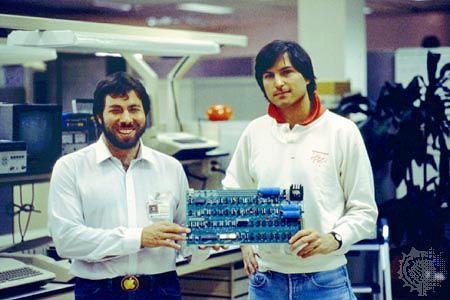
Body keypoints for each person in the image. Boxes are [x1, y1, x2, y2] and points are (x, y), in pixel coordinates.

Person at [222, 40, 378, 299]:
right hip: (265, 282)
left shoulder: (341, 131)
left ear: (306, 77)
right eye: (268, 76)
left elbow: (364, 210)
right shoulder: (255, 132)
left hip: (325, 281)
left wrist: (334, 238)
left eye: (286, 72)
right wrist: (245, 241)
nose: (278, 83)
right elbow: (234, 194)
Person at [48, 72, 207, 300]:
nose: (126, 119)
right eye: (115, 110)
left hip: (162, 289)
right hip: (98, 291)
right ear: (98, 118)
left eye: (134, 109)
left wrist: (202, 243)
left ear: (145, 115)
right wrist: (139, 238)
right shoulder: (70, 168)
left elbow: (183, 233)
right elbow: (67, 241)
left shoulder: (170, 167)